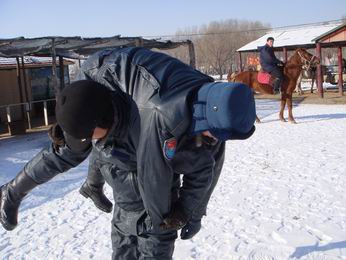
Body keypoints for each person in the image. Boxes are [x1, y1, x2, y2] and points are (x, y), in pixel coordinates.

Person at [0, 47, 256, 259]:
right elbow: (148, 173)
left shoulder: (207, 106)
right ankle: (10, 192)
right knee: (69, 151)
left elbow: (208, 162)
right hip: (124, 187)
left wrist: (191, 213)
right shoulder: (109, 93)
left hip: (153, 195)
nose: (91, 142)